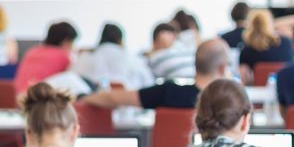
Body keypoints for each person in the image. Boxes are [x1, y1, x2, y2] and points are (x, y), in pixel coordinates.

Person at [83, 38, 230, 110]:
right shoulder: (229, 102)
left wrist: (82, 99)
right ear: (223, 68)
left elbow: (113, 97)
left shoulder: (169, 92)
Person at [74, 23, 153, 90]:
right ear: (120, 40)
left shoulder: (85, 57)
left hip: (87, 103)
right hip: (125, 104)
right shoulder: (132, 59)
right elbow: (149, 84)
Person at [13, 21, 78, 94]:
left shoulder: (32, 51)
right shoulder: (63, 56)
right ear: (66, 41)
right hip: (41, 98)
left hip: (20, 97)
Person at [238, 9, 294, 81]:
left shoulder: (246, 51)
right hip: (285, 87)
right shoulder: (287, 43)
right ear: (270, 23)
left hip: (258, 91)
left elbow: (244, 79)